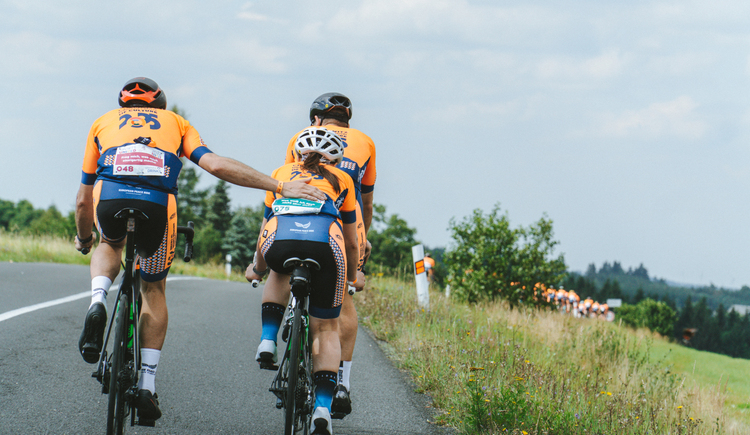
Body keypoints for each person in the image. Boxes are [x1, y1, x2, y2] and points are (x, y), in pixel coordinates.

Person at [75, 77, 325, 422]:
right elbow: (216, 165)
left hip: (110, 194)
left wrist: (85, 237)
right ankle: (146, 383)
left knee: (109, 243)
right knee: (152, 287)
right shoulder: (176, 123)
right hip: (157, 204)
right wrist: (280, 185)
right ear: (159, 103)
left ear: (123, 104)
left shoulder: (102, 122)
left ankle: (98, 300)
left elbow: (82, 198)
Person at [245, 127, 360, 434]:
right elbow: (351, 241)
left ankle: (267, 339)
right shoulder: (342, 179)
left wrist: (257, 268)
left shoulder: (281, 173)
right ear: (336, 157)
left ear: (296, 152)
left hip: (280, 240)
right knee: (326, 328)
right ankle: (322, 408)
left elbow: (266, 227)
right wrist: (351, 276)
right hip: (326, 243)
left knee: (279, 270)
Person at [278, 92, 376, 418]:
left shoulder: (299, 137)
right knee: (340, 302)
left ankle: (273, 331)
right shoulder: (365, 141)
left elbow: (290, 180)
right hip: (345, 222)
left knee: (282, 265)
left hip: (296, 220)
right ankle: (342, 382)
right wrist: (362, 240)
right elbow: (366, 199)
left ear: (316, 120)